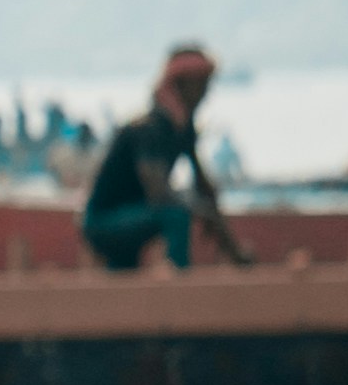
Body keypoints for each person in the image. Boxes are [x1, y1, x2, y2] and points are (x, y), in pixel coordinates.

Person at [77, 48, 251, 274]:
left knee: (123, 279)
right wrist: (199, 208)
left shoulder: (183, 129)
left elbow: (204, 188)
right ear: (180, 85)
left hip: (134, 215)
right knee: (176, 215)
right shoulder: (150, 129)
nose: (205, 93)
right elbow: (158, 192)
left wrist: (233, 250)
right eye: (200, 85)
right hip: (104, 222)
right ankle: (179, 283)